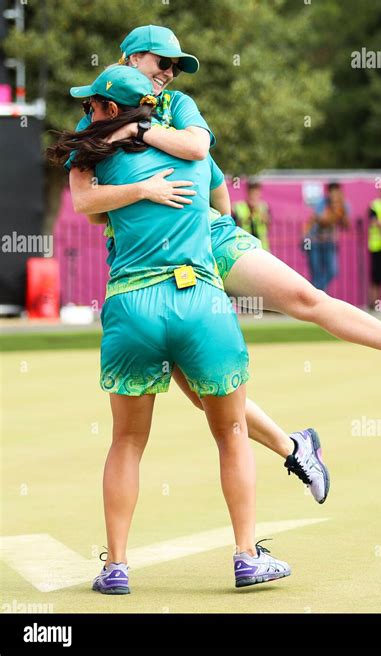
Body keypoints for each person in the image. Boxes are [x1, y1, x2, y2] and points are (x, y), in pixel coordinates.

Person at [66, 25, 381, 512]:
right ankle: (295, 449)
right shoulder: (95, 122)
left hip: (208, 241)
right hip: (151, 267)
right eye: (160, 62)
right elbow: (91, 207)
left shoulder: (179, 107)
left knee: (304, 299)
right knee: (209, 397)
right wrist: (140, 193)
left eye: (174, 66)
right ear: (128, 57)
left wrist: (141, 134)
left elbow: (203, 158)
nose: (167, 73)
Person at [48, 65, 293, 592]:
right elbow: (221, 207)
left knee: (127, 442)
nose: (86, 112)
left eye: (92, 105)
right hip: (199, 302)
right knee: (230, 433)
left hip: (132, 305)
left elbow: (87, 208)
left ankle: (115, 568)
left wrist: (129, 186)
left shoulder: (95, 154)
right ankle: (247, 557)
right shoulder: (194, 151)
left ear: (114, 109)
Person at [303, 181, 349, 292]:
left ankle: (317, 293)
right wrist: (335, 212)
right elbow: (322, 221)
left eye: (336, 193)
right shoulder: (322, 203)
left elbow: (346, 225)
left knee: (332, 271)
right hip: (314, 242)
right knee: (316, 272)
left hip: (329, 242)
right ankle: (318, 295)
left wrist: (341, 212)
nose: (334, 196)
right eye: (332, 193)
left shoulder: (343, 205)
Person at [233, 180, 271, 251]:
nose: (254, 196)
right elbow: (235, 226)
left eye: (256, 193)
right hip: (244, 246)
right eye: (252, 193)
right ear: (248, 193)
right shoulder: (239, 206)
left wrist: (258, 212)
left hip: (262, 247)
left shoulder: (264, 207)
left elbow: (268, 224)